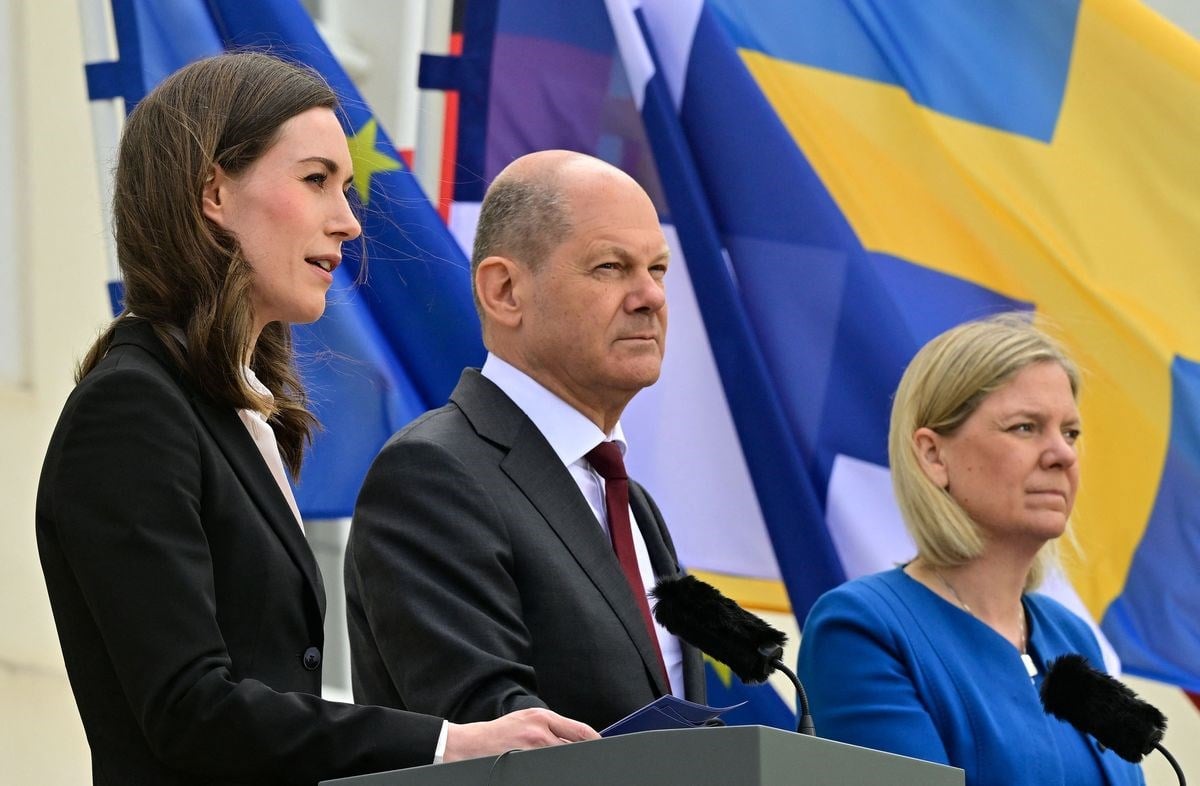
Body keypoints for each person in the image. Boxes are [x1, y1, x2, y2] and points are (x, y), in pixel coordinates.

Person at [36, 52, 595, 786]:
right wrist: (448, 744)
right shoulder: (132, 410)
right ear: (214, 193)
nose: (348, 223)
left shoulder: (234, 415)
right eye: (316, 180)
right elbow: (190, 710)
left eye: (348, 188)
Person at [344, 150, 706, 731]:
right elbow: (492, 731)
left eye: (657, 270)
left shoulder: (632, 503)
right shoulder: (434, 474)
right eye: (611, 267)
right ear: (505, 290)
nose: (651, 297)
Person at [796, 314, 1145, 785]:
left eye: (1070, 433)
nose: (1061, 454)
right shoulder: (861, 629)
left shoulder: (1072, 638)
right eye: (1025, 427)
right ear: (933, 456)